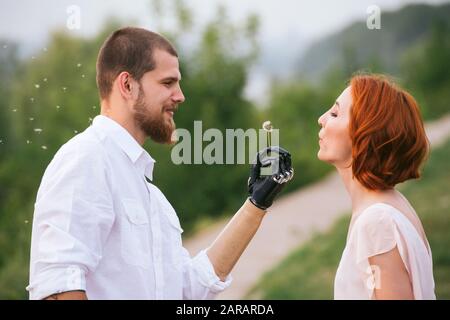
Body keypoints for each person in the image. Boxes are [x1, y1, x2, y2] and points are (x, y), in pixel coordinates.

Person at [26, 27, 294, 300]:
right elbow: (57, 288)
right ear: (127, 85)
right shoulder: (86, 158)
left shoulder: (150, 195)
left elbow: (188, 290)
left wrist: (256, 204)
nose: (180, 96)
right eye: (168, 83)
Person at [318, 73, 436, 300]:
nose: (322, 118)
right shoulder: (390, 204)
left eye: (335, 113)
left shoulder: (378, 221)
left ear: (365, 133)